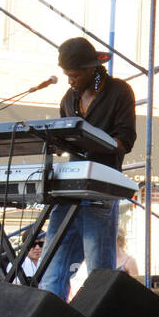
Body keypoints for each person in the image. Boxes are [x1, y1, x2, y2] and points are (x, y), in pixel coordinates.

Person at [40, 37, 136, 299]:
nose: (69, 80)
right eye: (66, 75)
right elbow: (64, 141)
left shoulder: (119, 92)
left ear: (91, 69)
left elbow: (125, 140)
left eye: (74, 75)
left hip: (101, 188)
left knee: (99, 271)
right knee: (52, 269)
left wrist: (91, 138)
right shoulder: (68, 100)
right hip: (70, 191)